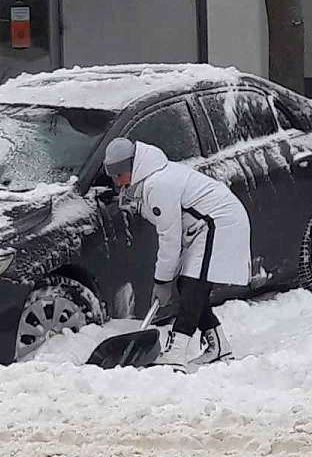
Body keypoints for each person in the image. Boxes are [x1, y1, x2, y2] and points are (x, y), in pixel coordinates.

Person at [104, 137, 251, 368]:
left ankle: (176, 353)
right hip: (203, 226)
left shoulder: (158, 184)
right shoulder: (154, 176)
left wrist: (161, 282)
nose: (117, 181)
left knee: (194, 285)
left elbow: (169, 238)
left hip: (220, 223)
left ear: (133, 166)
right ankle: (219, 345)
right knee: (187, 285)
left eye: (119, 175)